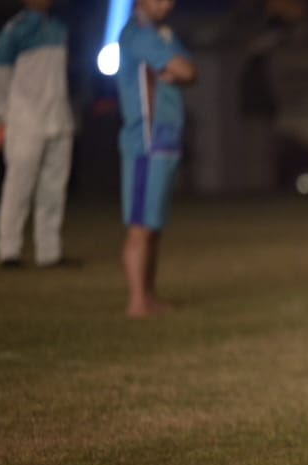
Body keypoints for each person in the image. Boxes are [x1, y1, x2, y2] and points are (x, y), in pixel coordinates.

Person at [116, 0, 197, 317]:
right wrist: (181, 70)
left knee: (154, 224)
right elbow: (183, 69)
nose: (167, 4)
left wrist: (183, 70)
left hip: (165, 137)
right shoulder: (139, 34)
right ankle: (136, 301)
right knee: (140, 225)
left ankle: (148, 296)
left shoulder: (162, 33)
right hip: (145, 142)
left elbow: (191, 70)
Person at [0, 0, 77, 269]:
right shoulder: (15, 30)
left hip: (58, 117)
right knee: (19, 186)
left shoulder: (60, 27)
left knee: (53, 189)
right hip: (25, 120)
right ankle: (9, 250)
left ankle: (49, 251)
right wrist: (4, 116)